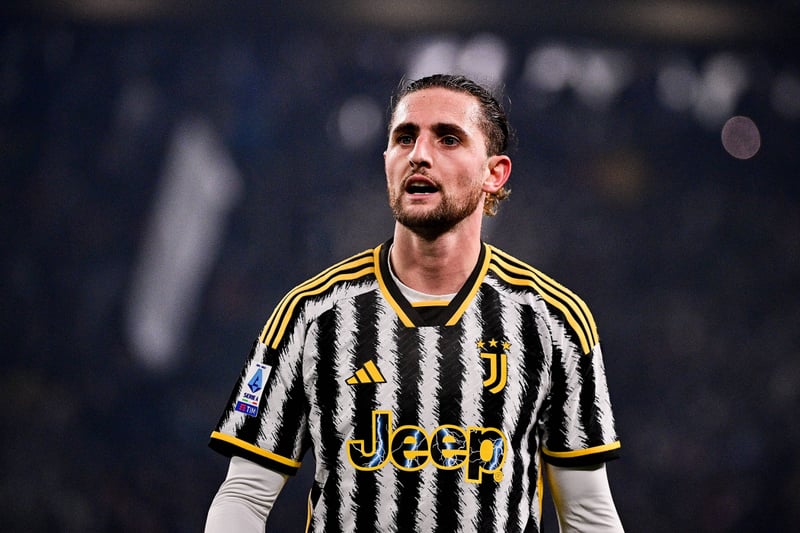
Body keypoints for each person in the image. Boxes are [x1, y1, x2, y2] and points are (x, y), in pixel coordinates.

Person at [205, 73, 624, 532]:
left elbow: (586, 513)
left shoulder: (553, 320)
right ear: (387, 159)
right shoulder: (312, 314)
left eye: (448, 139)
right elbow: (244, 495)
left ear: (494, 173)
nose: (419, 154)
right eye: (404, 138)